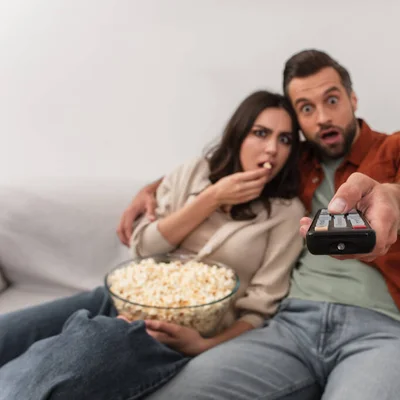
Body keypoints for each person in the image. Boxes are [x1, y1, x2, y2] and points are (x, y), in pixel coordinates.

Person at [119, 50, 400, 400]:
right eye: (306, 109)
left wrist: (396, 202)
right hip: (289, 326)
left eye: (332, 100)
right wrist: (151, 188)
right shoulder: (292, 162)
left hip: (386, 331)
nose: (322, 117)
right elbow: (224, 165)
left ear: (352, 99)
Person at [0, 90, 306, 400]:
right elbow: (143, 248)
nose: (271, 149)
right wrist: (212, 198)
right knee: (8, 332)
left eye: (285, 140)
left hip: (174, 331)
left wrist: (202, 345)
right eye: (260, 133)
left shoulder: (286, 214)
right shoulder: (195, 172)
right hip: (117, 298)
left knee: (83, 351)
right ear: (239, 134)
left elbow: (259, 310)